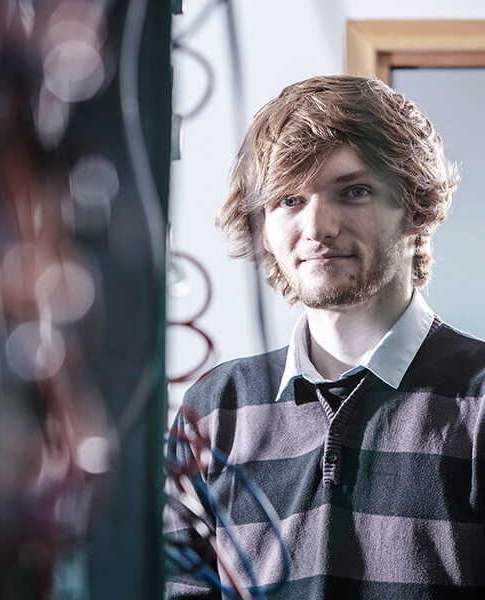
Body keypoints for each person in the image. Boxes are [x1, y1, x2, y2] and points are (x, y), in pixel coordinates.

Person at [164, 75, 485, 599]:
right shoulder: (216, 407)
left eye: (353, 191)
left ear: (414, 210)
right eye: (289, 199)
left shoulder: (479, 401)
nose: (318, 227)